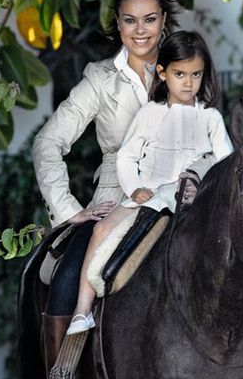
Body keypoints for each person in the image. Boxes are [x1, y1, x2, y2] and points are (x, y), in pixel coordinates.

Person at [32, 0, 176, 379]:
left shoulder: (184, 65)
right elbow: (48, 143)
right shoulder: (100, 79)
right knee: (68, 276)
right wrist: (69, 209)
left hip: (182, 191)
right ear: (116, 23)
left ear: (164, 21)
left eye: (151, 19)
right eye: (131, 20)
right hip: (116, 195)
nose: (141, 31)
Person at [66, 30, 233, 335]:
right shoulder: (150, 113)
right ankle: (82, 308)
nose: (188, 82)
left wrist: (201, 182)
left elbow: (226, 163)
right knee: (102, 229)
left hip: (192, 199)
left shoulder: (211, 118)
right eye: (179, 74)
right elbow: (126, 157)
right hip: (151, 194)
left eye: (196, 74)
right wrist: (134, 188)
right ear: (162, 72)